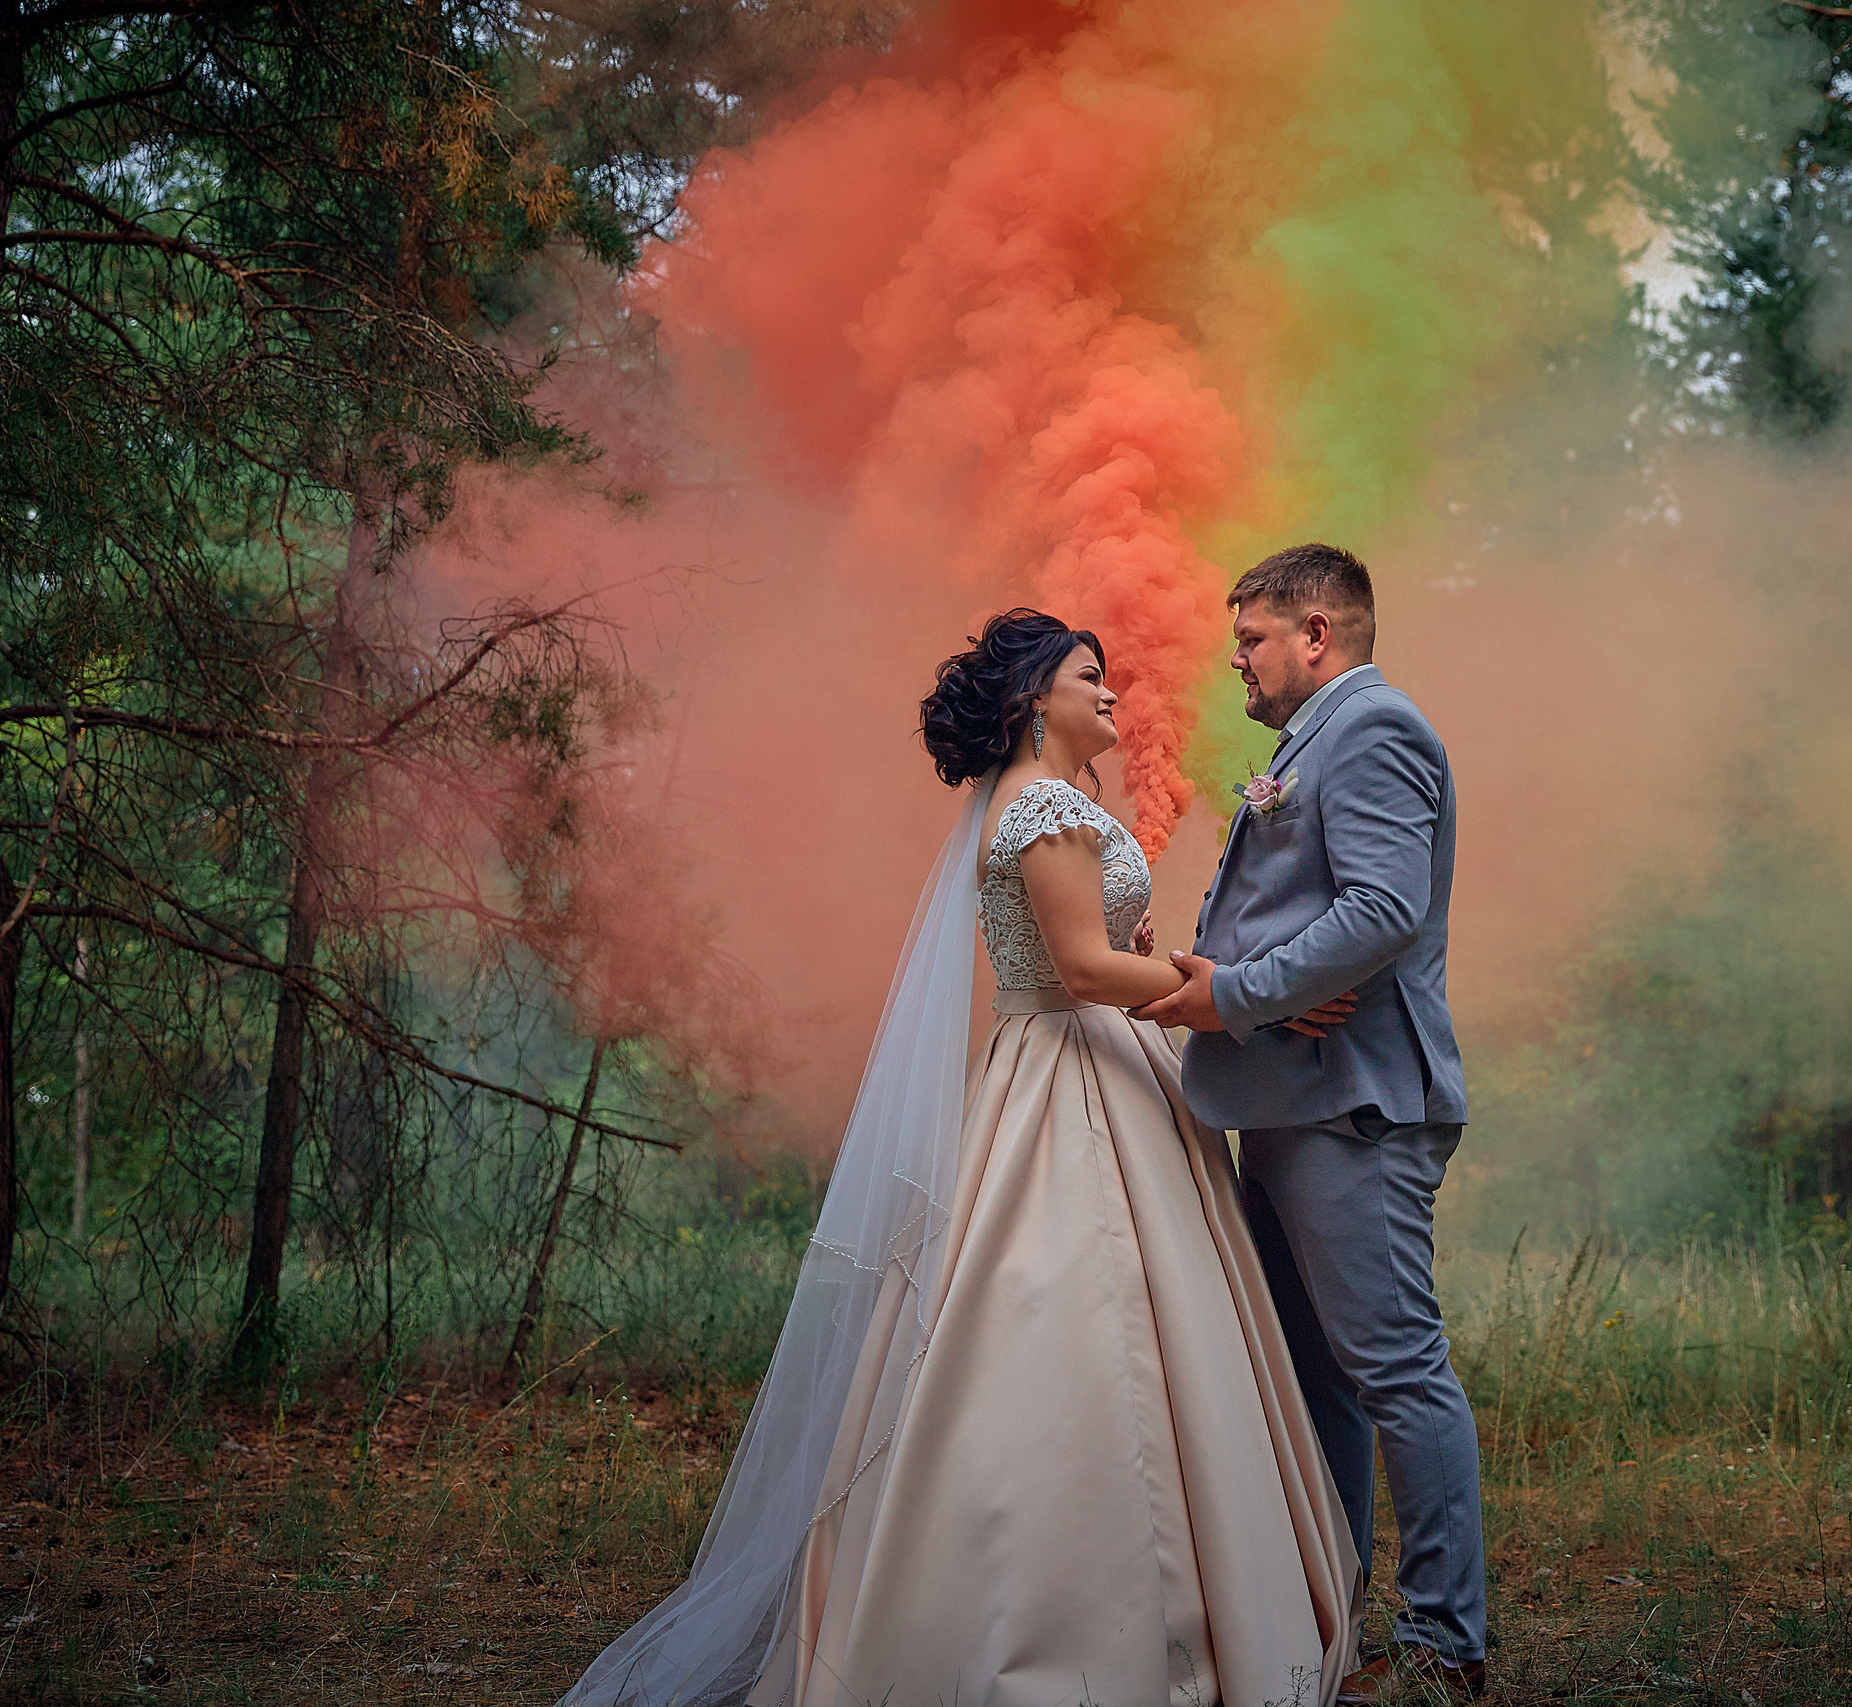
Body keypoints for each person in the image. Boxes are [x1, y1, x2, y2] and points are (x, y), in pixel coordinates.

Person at [565, 609, 1359, 1707]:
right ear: (1038, 697)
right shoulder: (1039, 805)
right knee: (1071, 1321)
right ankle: (1078, 1620)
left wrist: (1162, 968)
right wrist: (1232, 995)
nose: (1111, 695)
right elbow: (1079, 970)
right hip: (1071, 1072)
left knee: (1108, 1317)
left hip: (1098, 1066)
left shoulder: (1054, 804)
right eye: (1092, 678)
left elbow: (1091, 953)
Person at [1133, 544, 1486, 1704]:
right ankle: (1334, 1621)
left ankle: (1445, 1647)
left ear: (1317, 634)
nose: (1236, 659)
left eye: (1250, 638)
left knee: (1392, 1369)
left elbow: (1383, 907)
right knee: (1314, 1380)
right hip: (1290, 1099)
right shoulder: (1310, 744)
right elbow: (1309, 912)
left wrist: (1234, 993)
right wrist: (1255, 974)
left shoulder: (1374, 728)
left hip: (1353, 1106)